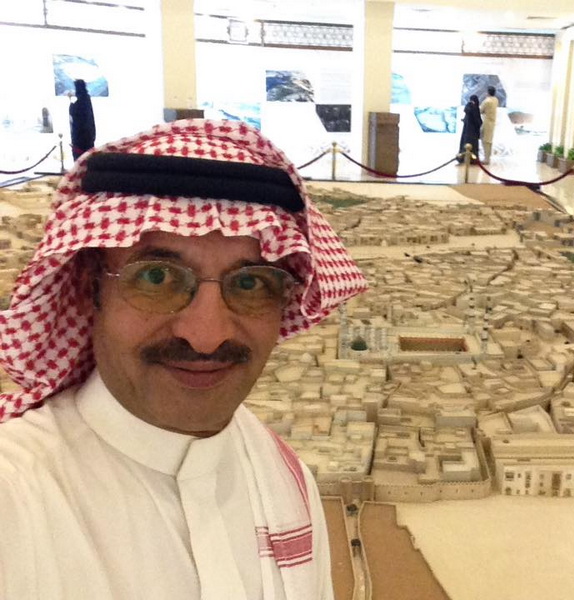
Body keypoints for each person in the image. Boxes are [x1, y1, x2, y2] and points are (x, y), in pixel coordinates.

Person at [0, 119, 368, 599]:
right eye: (156, 278)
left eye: (251, 283)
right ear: (90, 289)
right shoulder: (15, 500)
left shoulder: (285, 477)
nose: (206, 336)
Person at [68, 78, 96, 161]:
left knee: (81, 159)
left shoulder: (81, 101)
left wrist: (71, 102)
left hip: (80, 137)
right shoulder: (86, 99)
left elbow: (75, 113)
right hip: (88, 136)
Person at [456, 94, 482, 164]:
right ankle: (473, 160)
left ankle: (462, 158)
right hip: (473, 131)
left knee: (465, 144)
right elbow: (477, 120)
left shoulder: (468, 107)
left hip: (466, 130)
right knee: (472, 145)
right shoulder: (475, 107)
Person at [479, 85, 499, 165]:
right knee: (489, 141)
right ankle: (488, 158)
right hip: (492, 122)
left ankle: (486, 159)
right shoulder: (495, 100)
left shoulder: (487, 101)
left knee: (485, 141)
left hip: (486, 122)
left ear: (487, 92)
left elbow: (481, 110)